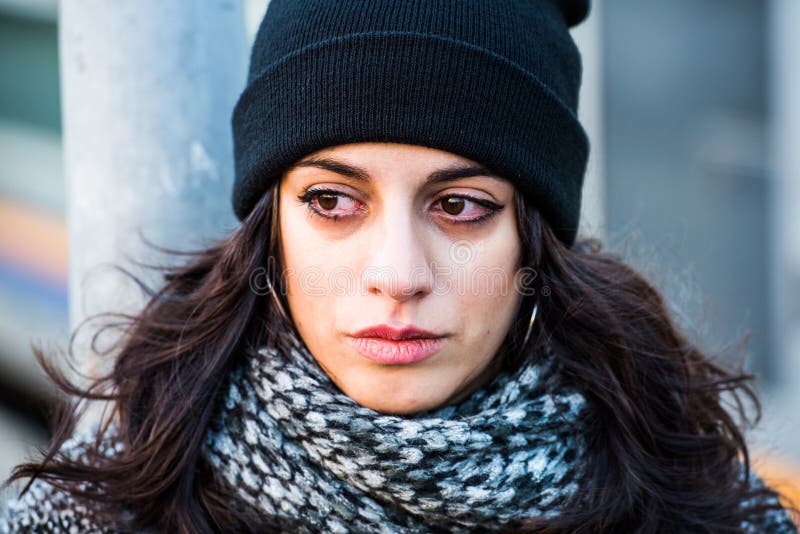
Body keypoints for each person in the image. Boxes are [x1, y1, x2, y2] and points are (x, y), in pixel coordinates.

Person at [2, 1, 798, 532]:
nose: (396, 274)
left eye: (459, 207)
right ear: (270, 228)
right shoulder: (94, 515)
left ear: (535, 238)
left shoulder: (707, 511)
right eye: (332, 202)